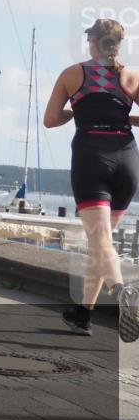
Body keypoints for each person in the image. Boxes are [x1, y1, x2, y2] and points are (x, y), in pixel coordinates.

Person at [44, 18, 139, 341]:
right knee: (102, 243)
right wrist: (122, 116)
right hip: (127, 160)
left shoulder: (74, 74)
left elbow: (51, 119)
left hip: (92, 157)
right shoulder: (130, 76)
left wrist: (77, 112)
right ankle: (83, 314)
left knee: (101, 241)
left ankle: (123, 292)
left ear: (93, 43)